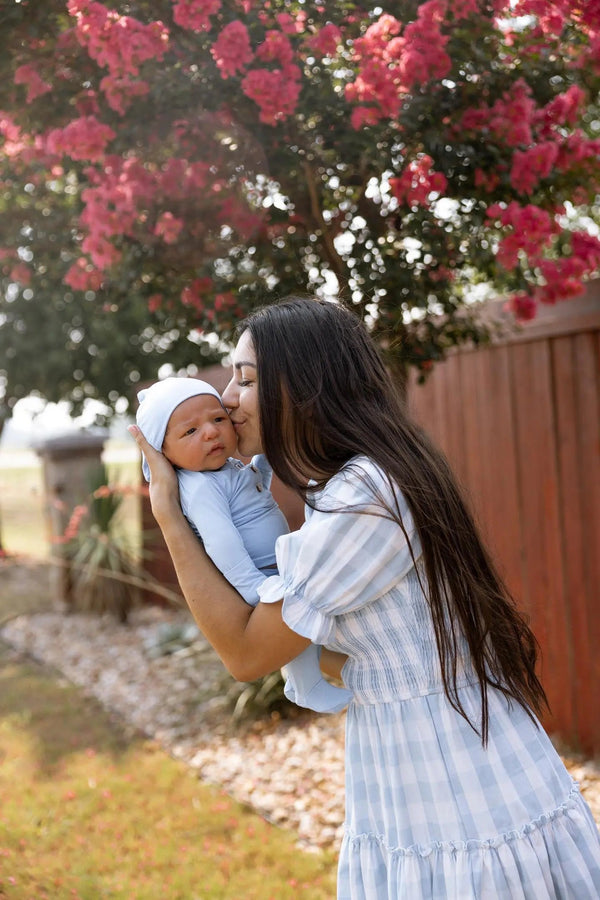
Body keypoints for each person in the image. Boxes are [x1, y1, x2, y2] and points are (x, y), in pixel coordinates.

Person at [129, 297, 600, 899]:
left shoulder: (363, 501)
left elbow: (246, 655)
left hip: (453, 778)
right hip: (418, 757)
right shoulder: (354, 482)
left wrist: (170, 515)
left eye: (245, 380)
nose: (227, 401)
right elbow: (365, 648)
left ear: (301, 388)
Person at [135, 375, 351, 714]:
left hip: (273, 568)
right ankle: (306, 685)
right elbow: (221, 542)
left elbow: (254, 491)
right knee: (294, 625)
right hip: (256, 576)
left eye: (217, 419)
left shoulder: (225, 469)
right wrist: (253, 586)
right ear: (164, 453)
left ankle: (310, 681)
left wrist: (262, 464)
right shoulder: (199, 487)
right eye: (190, 431)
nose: (210, 432)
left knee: (305, 629)